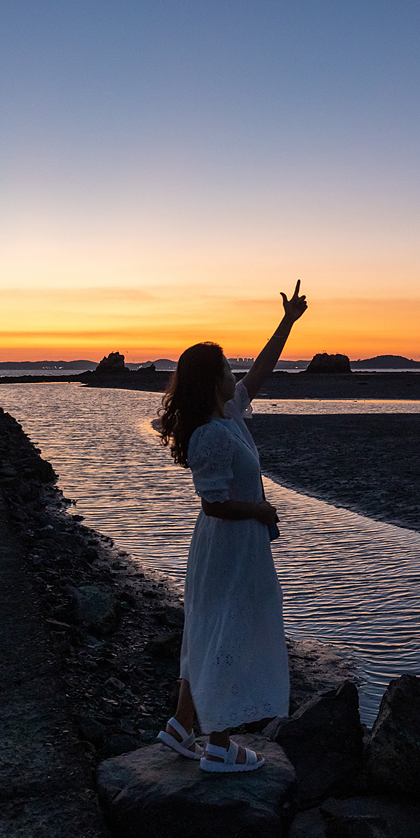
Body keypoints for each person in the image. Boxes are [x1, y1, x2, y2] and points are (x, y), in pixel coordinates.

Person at [156, 281, 308, 772]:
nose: (233, 373)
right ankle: (219, 745)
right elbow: (214, 504)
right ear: (211, 382)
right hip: (227, 544)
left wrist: (287, 322)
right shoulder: (211, 435)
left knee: (209, 628)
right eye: (225, 369)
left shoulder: (228, 416)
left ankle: (181, 727)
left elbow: (260, 374)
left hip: (233, 545)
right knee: (228, 632)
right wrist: (263, 512)